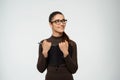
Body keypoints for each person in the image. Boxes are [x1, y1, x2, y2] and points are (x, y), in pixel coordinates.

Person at [37, 11, 78, 80]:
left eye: (63, 21)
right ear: (50, 24)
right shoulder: (44, 43)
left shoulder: (71, 44)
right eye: (57, 21)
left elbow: (74, 70)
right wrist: (45, 53)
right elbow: (40, 69)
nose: (62, 24)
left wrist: (66, 53)